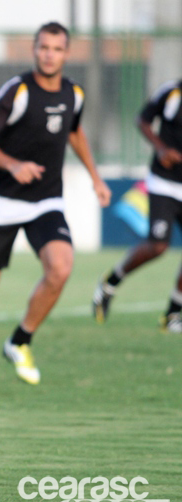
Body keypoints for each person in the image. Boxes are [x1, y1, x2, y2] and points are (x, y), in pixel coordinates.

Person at [0, 22, 111, 385]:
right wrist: (12, 164)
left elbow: (75, 132)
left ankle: (20, 341)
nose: (49, 54)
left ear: (67, 53)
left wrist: (96, 177)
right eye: (44, 47)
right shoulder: (16, 91)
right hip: (1, 203)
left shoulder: (74, 94)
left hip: (46, 201)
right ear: (35, 50)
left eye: (57, 48)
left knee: (61, 267)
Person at [93, 80, 182, 333]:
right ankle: (110, 282)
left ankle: (172, 315)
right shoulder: (172, 92)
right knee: (158, 246)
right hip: (164, 183)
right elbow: (142, 120)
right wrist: (161, 148)